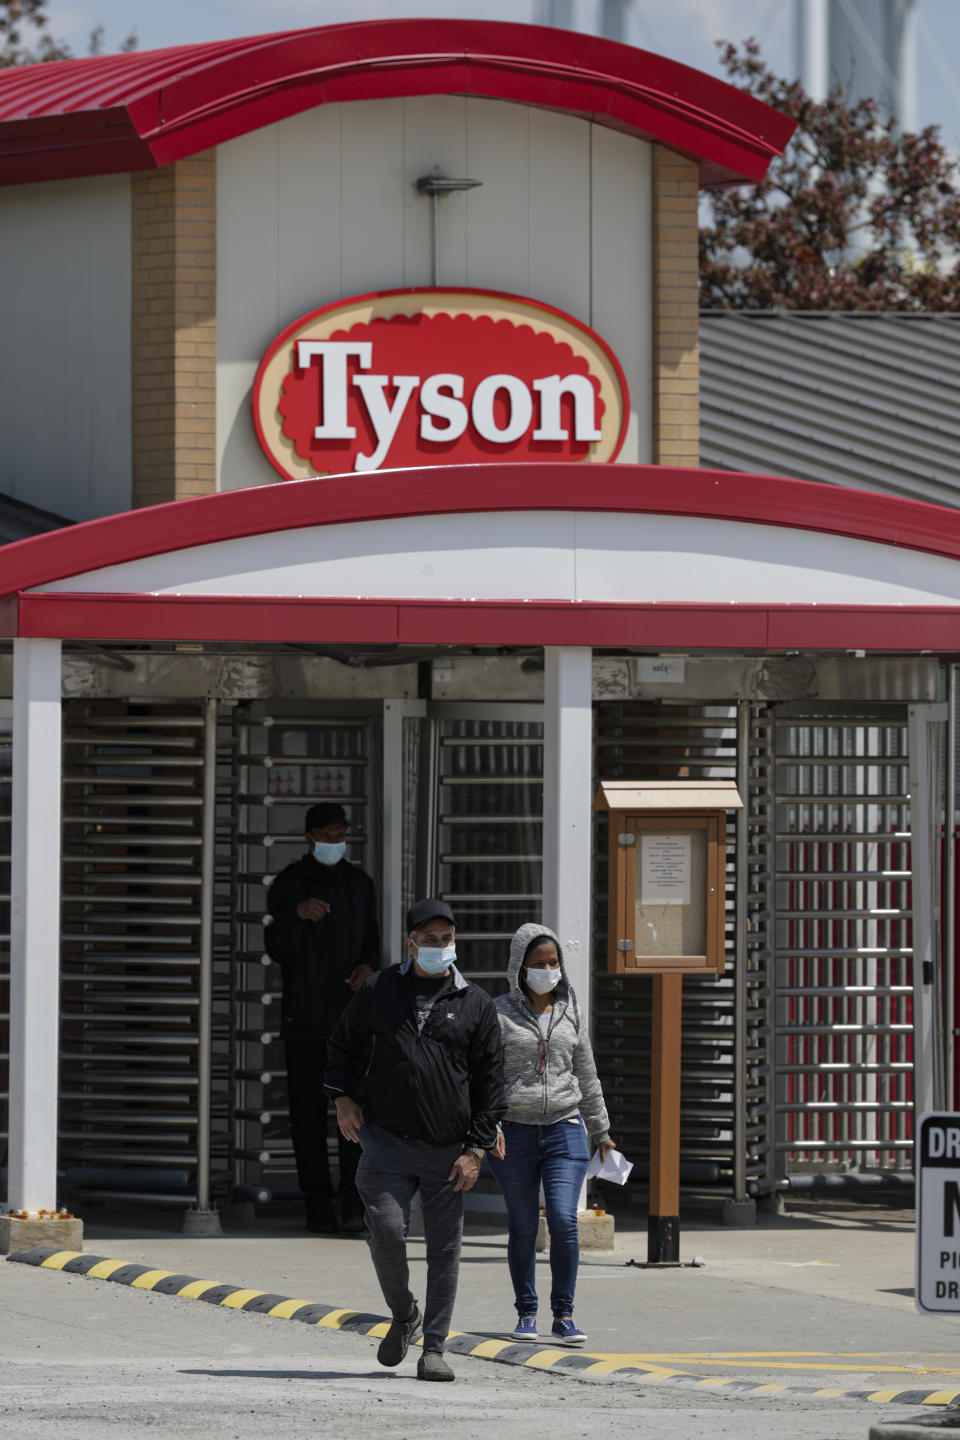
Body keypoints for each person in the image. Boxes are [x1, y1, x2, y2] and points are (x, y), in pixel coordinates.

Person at [325, 898, 505, 1383]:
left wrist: (476, 1149)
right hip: (385, 1141)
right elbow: (342, 1043)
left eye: (447, 938)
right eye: (430, 939)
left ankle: (435, 1350)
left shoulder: (476, 1004)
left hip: (449, 1150)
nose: (440, 946)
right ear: (411, 943)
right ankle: (405, 1313)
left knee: (445, 1251)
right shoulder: (380, 988)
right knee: (385, 1231)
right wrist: (342, 1098)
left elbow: (492, 1082)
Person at [487, 921, 616, 1346]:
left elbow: (586, 1072)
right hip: (514, 1133)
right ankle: (526, 1312)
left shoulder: (571, 1010)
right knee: (523, 1226)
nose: (548, 969)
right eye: (539, 963)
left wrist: (602, 1130)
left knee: (562, 1219)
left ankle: (564, 1314)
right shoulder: (498, 1012)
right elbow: (483, 1076)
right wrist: (485, 1128)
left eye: (554, 961)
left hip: (565, 1127)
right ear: (519, 967)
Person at [265, 801, 381, 1235]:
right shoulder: (289, 884)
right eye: (327, 835)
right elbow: (275, 946)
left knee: (353, 1115)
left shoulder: (359, 884)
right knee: (307, 1117)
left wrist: (368, 968)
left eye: (340, 835)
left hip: (351, 1023)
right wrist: (297, 917)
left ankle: (354, 1203)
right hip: (304, 1019)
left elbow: (372, 938)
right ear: (309, 837)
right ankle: (317, 1205)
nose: (335, 842)